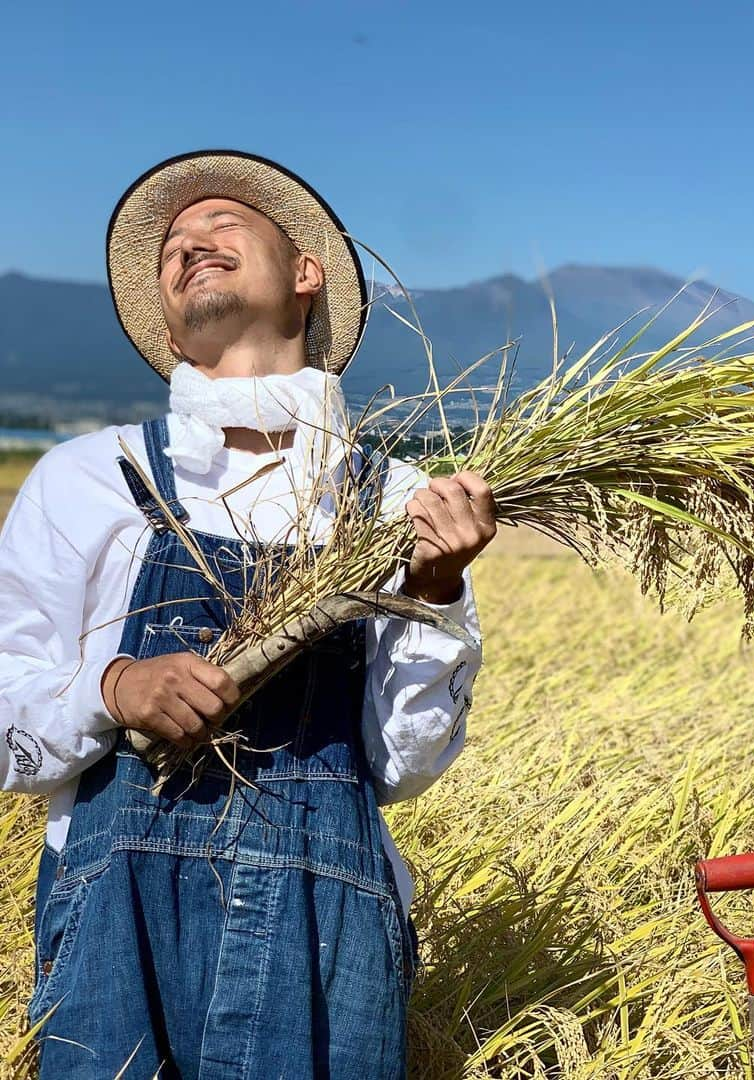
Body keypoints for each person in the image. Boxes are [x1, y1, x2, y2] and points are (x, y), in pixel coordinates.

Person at [0, 149, 496, 1078]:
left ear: (306, 274)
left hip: (330, 928)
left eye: (222, 225)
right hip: (117, 921)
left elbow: (399, 766)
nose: (189, 244)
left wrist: (436, 594)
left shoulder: (397, 502)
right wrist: (111, 686)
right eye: (173, 246)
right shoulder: (90, 477)